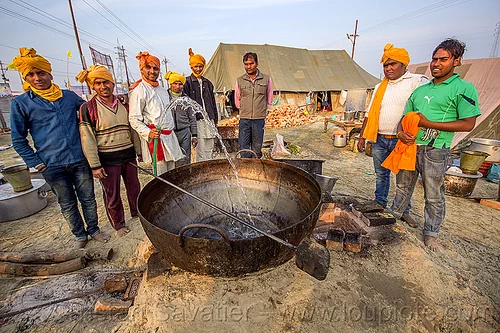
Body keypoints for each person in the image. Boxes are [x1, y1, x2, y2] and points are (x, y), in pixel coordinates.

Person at [9, 47, 109, 248]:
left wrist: (116, 99)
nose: (37, 78)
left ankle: (94, 229)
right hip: (51, 164)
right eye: (31, 74)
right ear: (26, 78)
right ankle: (80, 236)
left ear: (49, 74)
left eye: (41, 72)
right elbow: (18, 139)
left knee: (88, 199)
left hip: (79, 160)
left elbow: (91, 110)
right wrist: (36, 163)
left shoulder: (69, 97)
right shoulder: (21, 103)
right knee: (67, 203)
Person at [390, 38, 481, 251]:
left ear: (457, 61)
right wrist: (401, 133)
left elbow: (468, 124)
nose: (436, 64)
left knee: (433, 194)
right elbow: (405, 117)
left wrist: (427, 123)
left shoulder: (463, 88)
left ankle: (431, 234)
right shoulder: (421, 90)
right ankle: (392, 220)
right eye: (434, 59)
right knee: (403, 187)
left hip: (435, 150)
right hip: (410, 147)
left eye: (443, 59)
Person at [358, 44, 427, 227]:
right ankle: (379, 203)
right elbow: (369, 112)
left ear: (404, 65)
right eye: (385, 65)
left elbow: (423, 109)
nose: (388, 68)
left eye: (393, 64)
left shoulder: (416, 81)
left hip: (402, 140)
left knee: (404, 180)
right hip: (380, 138)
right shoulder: (380, 86)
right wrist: (362, 136)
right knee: (381, 175)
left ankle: (404, 211)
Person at [77, 65, 142, 237]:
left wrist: (139, 151)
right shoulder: (88, 108)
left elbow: (132, 129)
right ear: (93, 86)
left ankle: (138, 214)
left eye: (106, 82)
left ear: (112, 84)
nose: (103, 86)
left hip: (128, 156)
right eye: (97, 83)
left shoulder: (123, 104)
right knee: (112, 195)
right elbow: (87, 138)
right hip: (107, 160)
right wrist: (95, 165)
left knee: (134, 188)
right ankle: (118, 224)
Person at [129, 51, 184, 175]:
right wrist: (148, 132)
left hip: (169, 137)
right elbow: (133, 119)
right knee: (160, 177)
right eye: (148, 67)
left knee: (172, 174)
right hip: (156, 139)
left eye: (156, 68)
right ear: (142, 69)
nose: (152, 71)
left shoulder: (163, 90)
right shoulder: (139, 91)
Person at [234, 52, 273, 158]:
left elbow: (269, 95)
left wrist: (265, 109)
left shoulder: (266, 79)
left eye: (251, 63)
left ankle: (255, 169)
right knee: (244, 147)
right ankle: (245, 170)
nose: (248, 67)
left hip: (259, 119)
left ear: (257, 63)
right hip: (244, 118)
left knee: (257, 147)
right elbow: (237, 99)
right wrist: (243, 110)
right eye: (246, 64)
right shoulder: (240, 80)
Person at [183, 48, 218, 162]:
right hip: (197, 120)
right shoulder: (187, 83)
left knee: (209, 147)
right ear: (191, 67)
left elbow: (213, 102)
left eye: (200, 66)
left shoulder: (208, 83)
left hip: (209, 120)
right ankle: (202, 171)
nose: (198, 69)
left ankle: (209, 169)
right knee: (200, 149)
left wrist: (215, 120)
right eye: (195, 67)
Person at [164, 71, 201, 164]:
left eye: (180, 84)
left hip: (184, 131)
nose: (177, 86)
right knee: (172, 159)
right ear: (170, 84)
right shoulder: (164, 97)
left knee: (185, 158)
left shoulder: (186, 99)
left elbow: (192, 118)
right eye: (175, 84)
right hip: (170, 132)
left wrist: (194, 135)